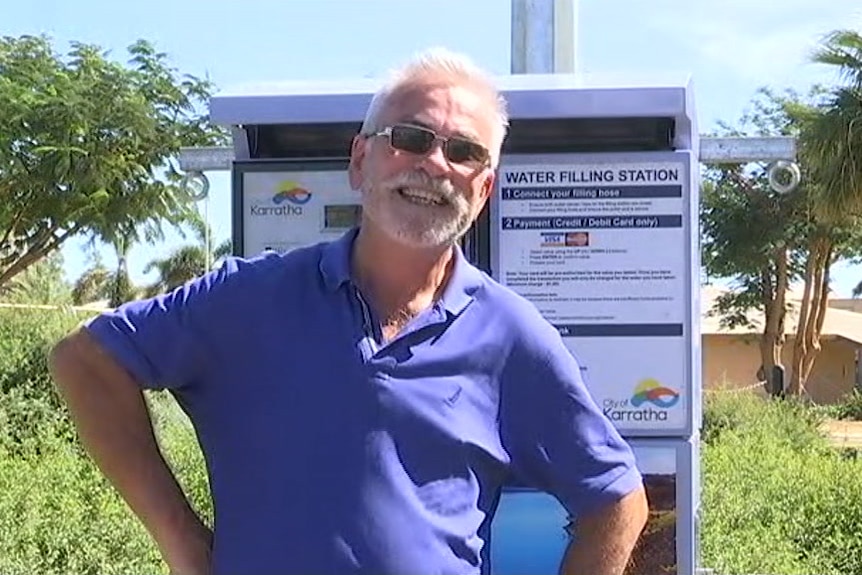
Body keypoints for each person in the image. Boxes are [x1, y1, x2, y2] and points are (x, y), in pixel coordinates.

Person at [49, 47, 648, 575]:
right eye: (411, 138)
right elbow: (86, 360)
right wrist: (184, 546)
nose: (435, 164)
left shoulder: (512, 335)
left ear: (483, 190)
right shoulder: (249, 300)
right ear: (360, 160)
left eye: (463, 151)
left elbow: (617, 499)